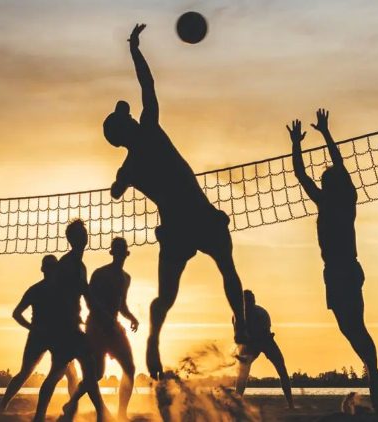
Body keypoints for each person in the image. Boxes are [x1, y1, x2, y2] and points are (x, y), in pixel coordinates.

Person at [103, 24, 247, 380]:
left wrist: (121, 180)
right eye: (126, 117)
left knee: (167, 297)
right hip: (198, 216)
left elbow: (115, 192)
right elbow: (147, 85)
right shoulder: (148, 128)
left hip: (176, 228)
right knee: (226, 269)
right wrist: (135, 50)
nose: (131, 114)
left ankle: (153, 339)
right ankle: (241, 324)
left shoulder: (129, 165)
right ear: (126, 128)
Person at [287, 109, 378, 413]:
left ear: (330, 185)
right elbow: (312, 173)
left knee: (354, 324)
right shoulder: (337, 199)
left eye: (324, 180)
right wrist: (314, 137)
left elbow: (311, 172)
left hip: (342, 268)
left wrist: (306, 141)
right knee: (349, 326)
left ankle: (374, 372)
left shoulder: (337, 200)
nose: (321, 181)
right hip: (338, 270)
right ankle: (373, 369)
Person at [32, 220, 108, 422]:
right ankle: (97, 412)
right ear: (72, 239)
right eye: (80, 234)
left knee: (79, 370)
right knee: (64, 373)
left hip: (71, 326)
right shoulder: (68, 264)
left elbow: (84, 294)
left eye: (85, 233)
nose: (85, 237)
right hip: (64, 328)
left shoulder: (79, 264)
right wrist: (100, 315)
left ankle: (94, 411)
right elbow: (83, 294)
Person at [60, 237, 139, 421]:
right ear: (112, 252)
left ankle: (122, 413)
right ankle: (72, 402)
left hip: (113, 327)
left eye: (122, 249)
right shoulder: (100, 274)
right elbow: (90, 301)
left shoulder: (126, 278)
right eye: (116, 249)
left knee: (129, 368)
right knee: (97, 374)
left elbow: (122, 305)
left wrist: (132, 317)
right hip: (96, 327)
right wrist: (104, 319)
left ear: (126, 253)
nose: (119, 252)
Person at [0, 255, 78, 412]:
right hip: (44, 336)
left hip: (51, 335)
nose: (51, 270)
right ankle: (2, 407)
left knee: (69, 372)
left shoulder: (54, 289)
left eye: (52, 267)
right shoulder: (40, 290)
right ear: (45, 269)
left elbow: (16, 314)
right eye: (50, 267)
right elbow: (16, 313)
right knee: (28, 373)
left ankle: (72, 407)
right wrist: (32, 328)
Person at [234, 290, 294, 409]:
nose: (248, 306)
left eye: (251, 302)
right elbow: (238, 337)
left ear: (254, 302)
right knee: (242, 372)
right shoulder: (237, 317)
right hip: (249, 344)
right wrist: (240, 354)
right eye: (246, 303)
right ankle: (237, 401)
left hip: (266, 340)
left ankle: (290, 403)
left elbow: (264, 333)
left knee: (281, 368)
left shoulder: (261, 313)